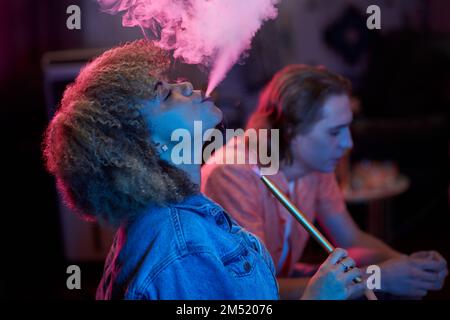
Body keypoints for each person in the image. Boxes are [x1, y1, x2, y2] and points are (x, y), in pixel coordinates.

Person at [42, 41, 365, 300]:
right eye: (166, 94)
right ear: (145, 144)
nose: (183, 84)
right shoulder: (181, 247)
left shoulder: (180, 219)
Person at [201, 65, 448, 299]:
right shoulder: (233, 173)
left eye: (347, 128)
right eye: (334, 132)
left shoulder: (315, 164)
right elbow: (255, 288)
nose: (348, 143)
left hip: (283, 279)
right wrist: (377, 278)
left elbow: (351, 240)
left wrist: (408, 266)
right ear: (291, 131)